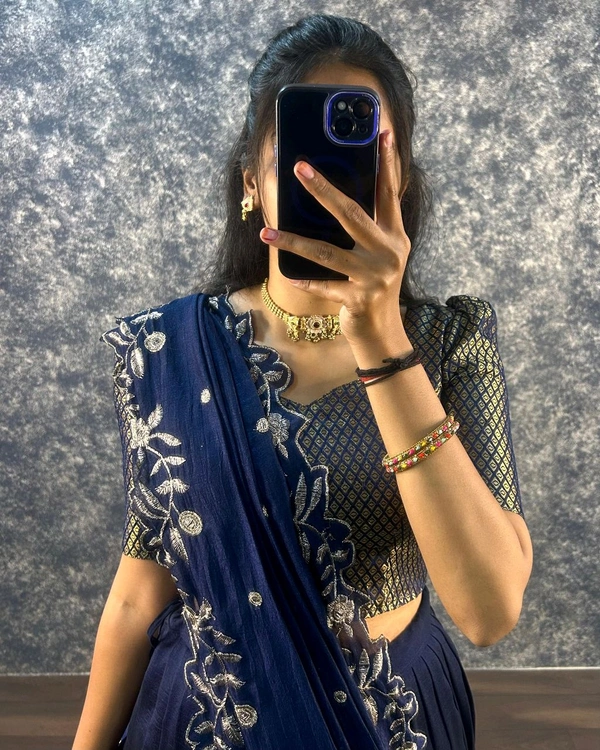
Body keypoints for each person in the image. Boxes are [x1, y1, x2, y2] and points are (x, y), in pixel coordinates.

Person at [73, 14, 533, 750]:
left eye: (359, 148)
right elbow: (140, 591)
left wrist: (382, 339)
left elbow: (489, 611)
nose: (323, 180)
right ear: (252, 183)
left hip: (388, 720)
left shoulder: (450, 344)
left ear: (399, 179)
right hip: (208, 718)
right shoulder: (168, 351)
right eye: (296, 156)